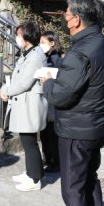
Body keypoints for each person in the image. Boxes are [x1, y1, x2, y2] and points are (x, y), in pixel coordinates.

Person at [41, 0, 104, 206]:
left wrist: (48, 83)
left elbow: (61, 95)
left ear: (76, 19)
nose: (64, 17)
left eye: (66, 12)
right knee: (89, 178)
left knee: (73, 183)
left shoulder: (80, 52)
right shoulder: (102, 44)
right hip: (96, 126)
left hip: (76, 128)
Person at [1, 20, 48, 191]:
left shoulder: (35, 55)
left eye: (19, 34)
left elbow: (24, 83)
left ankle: (35, 179)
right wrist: (6, 88)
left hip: (30, 103)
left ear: (26, 37)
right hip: (24, 102)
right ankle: (29, 173)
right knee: (27, 140)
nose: (17, 38)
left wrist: (7, 91)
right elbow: (18, 79)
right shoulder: (27, 53)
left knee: (30, 142)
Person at [39, 31, 63, 173]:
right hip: (45, 98)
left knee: (51, 134)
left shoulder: (57, 59)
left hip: (52, 102)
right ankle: (48, 158)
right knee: (44, 132)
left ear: (52, 43)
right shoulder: (44, 57)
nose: (41, 45)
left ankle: (55, 161)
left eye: (43, 42)